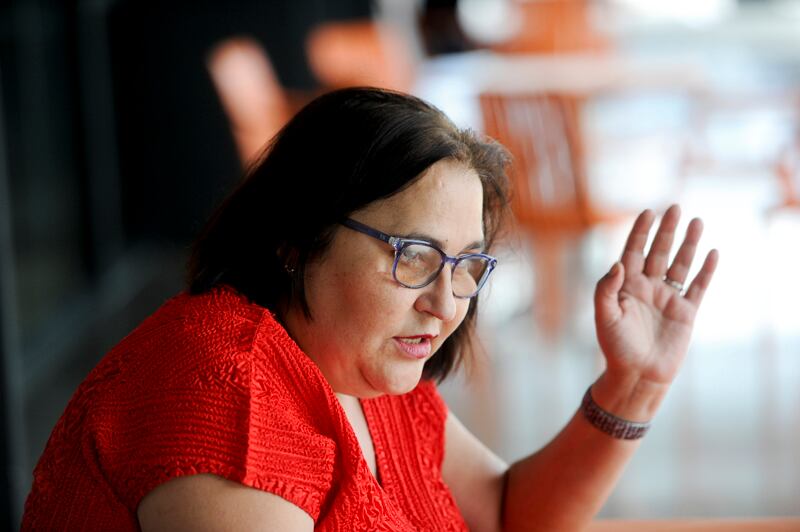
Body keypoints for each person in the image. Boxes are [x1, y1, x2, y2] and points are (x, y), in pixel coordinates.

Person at [21, 87, 718, 531]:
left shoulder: (362, 364)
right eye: (413, 254)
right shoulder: (228, 395)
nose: (444, 304)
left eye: (466, 265)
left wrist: (634, 385)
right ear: (296, 240)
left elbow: (505, 514)